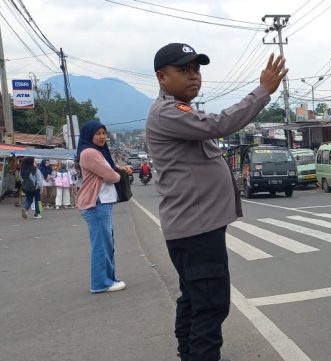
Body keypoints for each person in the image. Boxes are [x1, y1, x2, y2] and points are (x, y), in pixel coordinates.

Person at [145, 43, 286, 361]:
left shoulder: (180, 110)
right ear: (161, 76)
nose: (194, 77)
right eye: (184, 70)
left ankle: (188, 352)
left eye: (196, 70)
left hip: (193, 228)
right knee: (210, 306)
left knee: (195, 300)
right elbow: (220, 124)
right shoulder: (169, 111)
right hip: (196, 230)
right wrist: (262, 91)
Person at [76, 120, 130, 294]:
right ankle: (100, 283)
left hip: (102, 204)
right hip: (96, 204)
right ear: (88, 135)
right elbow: (110, 176)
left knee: (107, 243)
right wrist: (118, 174)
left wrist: (120, 169)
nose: (102, 137)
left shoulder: (98, 151)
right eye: (97, 133)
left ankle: (109, 278)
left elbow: (111, 169)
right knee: (102, 245)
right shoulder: (89, 152)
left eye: (104, 133)